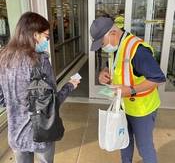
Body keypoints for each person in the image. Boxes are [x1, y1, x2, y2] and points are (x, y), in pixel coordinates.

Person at [0, 12, 80, 163]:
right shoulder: (40, 61)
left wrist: (16, 104)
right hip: (41, 133)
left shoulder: (3, 59)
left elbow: (1, 99)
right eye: (47, 36)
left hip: (16, 133)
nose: (47, 40)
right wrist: (70, 85)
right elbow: (51, 102)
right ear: (35, 35)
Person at [90, 17, 166, 163]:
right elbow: (113, 64)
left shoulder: (138, 51)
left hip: (142, 109)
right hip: (124, 106)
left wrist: (130, 90)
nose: (102, 47)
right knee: (124, 139)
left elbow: (158, 79)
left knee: (144, 147)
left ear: (112, 33)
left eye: (102, 43)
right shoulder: (117, 45)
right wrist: (104, 72)